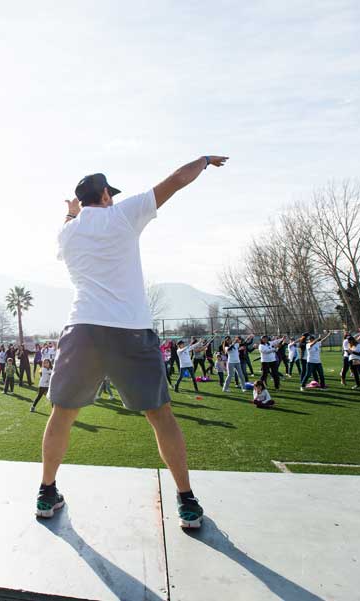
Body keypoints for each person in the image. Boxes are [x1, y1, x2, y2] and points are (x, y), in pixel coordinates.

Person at [39, 156, 228, 528]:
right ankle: (187, 500)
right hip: (130, 329)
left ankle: (46, 492)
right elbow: (175, 179)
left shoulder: (68, 233)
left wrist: (71, 212)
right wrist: (204, 161)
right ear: (106, 195)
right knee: (161, 417)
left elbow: (66, 226)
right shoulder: (123, 214)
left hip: (82, 329)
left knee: (62, 415)